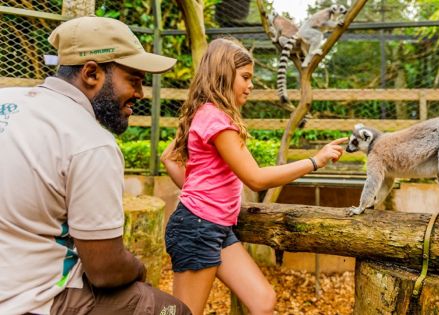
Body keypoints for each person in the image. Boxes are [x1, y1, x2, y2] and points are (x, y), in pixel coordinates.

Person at [0, 16, 191, 315]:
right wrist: (138, 269)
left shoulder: (6, 101)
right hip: (30, 299)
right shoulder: (89, 141)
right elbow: (105, 271)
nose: (140, 94)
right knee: (172, 309)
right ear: (91, 73)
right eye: (134, 80)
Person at [160, 37, 347, 315]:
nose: (251, 85)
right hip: (198, 229)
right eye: (245, 77)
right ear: (224, 75)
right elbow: (256, 178)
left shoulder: (203, 113)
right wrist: (314, 161)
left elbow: (167, 157)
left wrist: (201, 195)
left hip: (214, 228)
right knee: (181, 313)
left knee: (263, 300)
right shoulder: (217, 120)